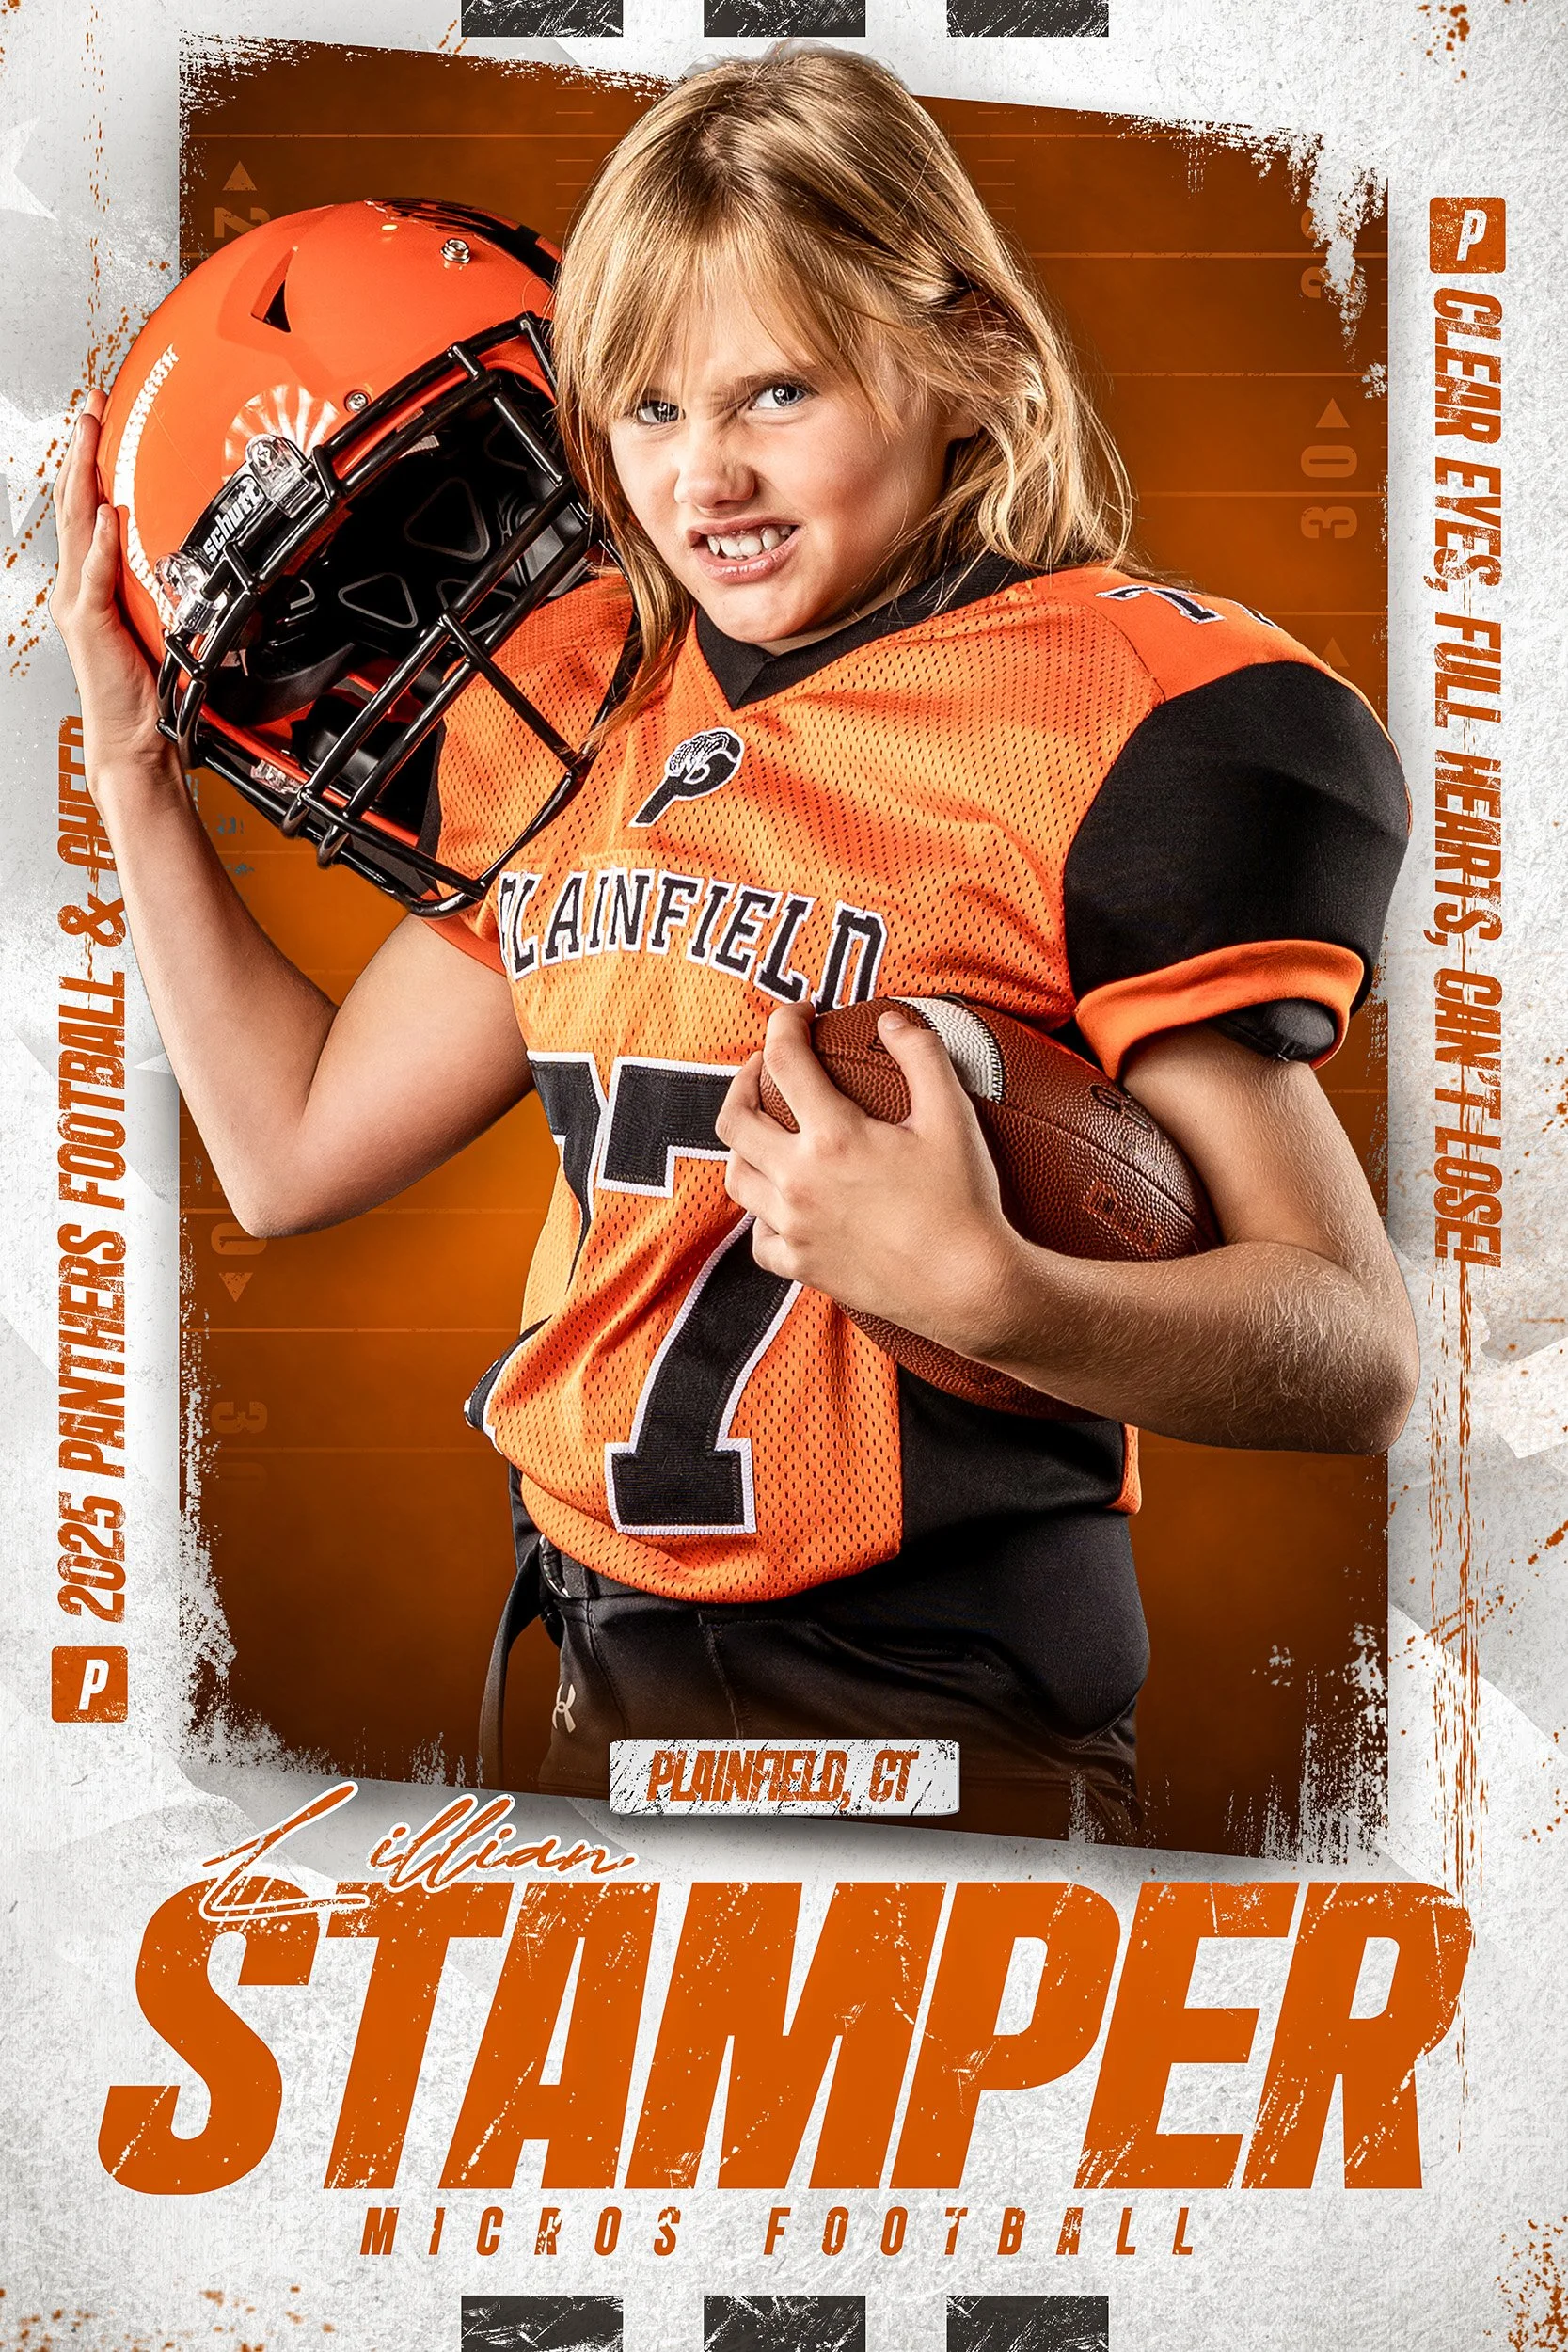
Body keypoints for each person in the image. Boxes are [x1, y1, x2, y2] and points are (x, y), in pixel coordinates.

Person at [51, 47, 1416, 1839]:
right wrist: (133, 776)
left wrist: (996, 1295)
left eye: (776, 389)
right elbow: (291, 1147)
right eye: (647, 410)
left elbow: (1353, 1349)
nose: (705, 475)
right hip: (594, 1671)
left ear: (969, 358)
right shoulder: (596, 717)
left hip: (933, 1699)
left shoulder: (1104, 719)